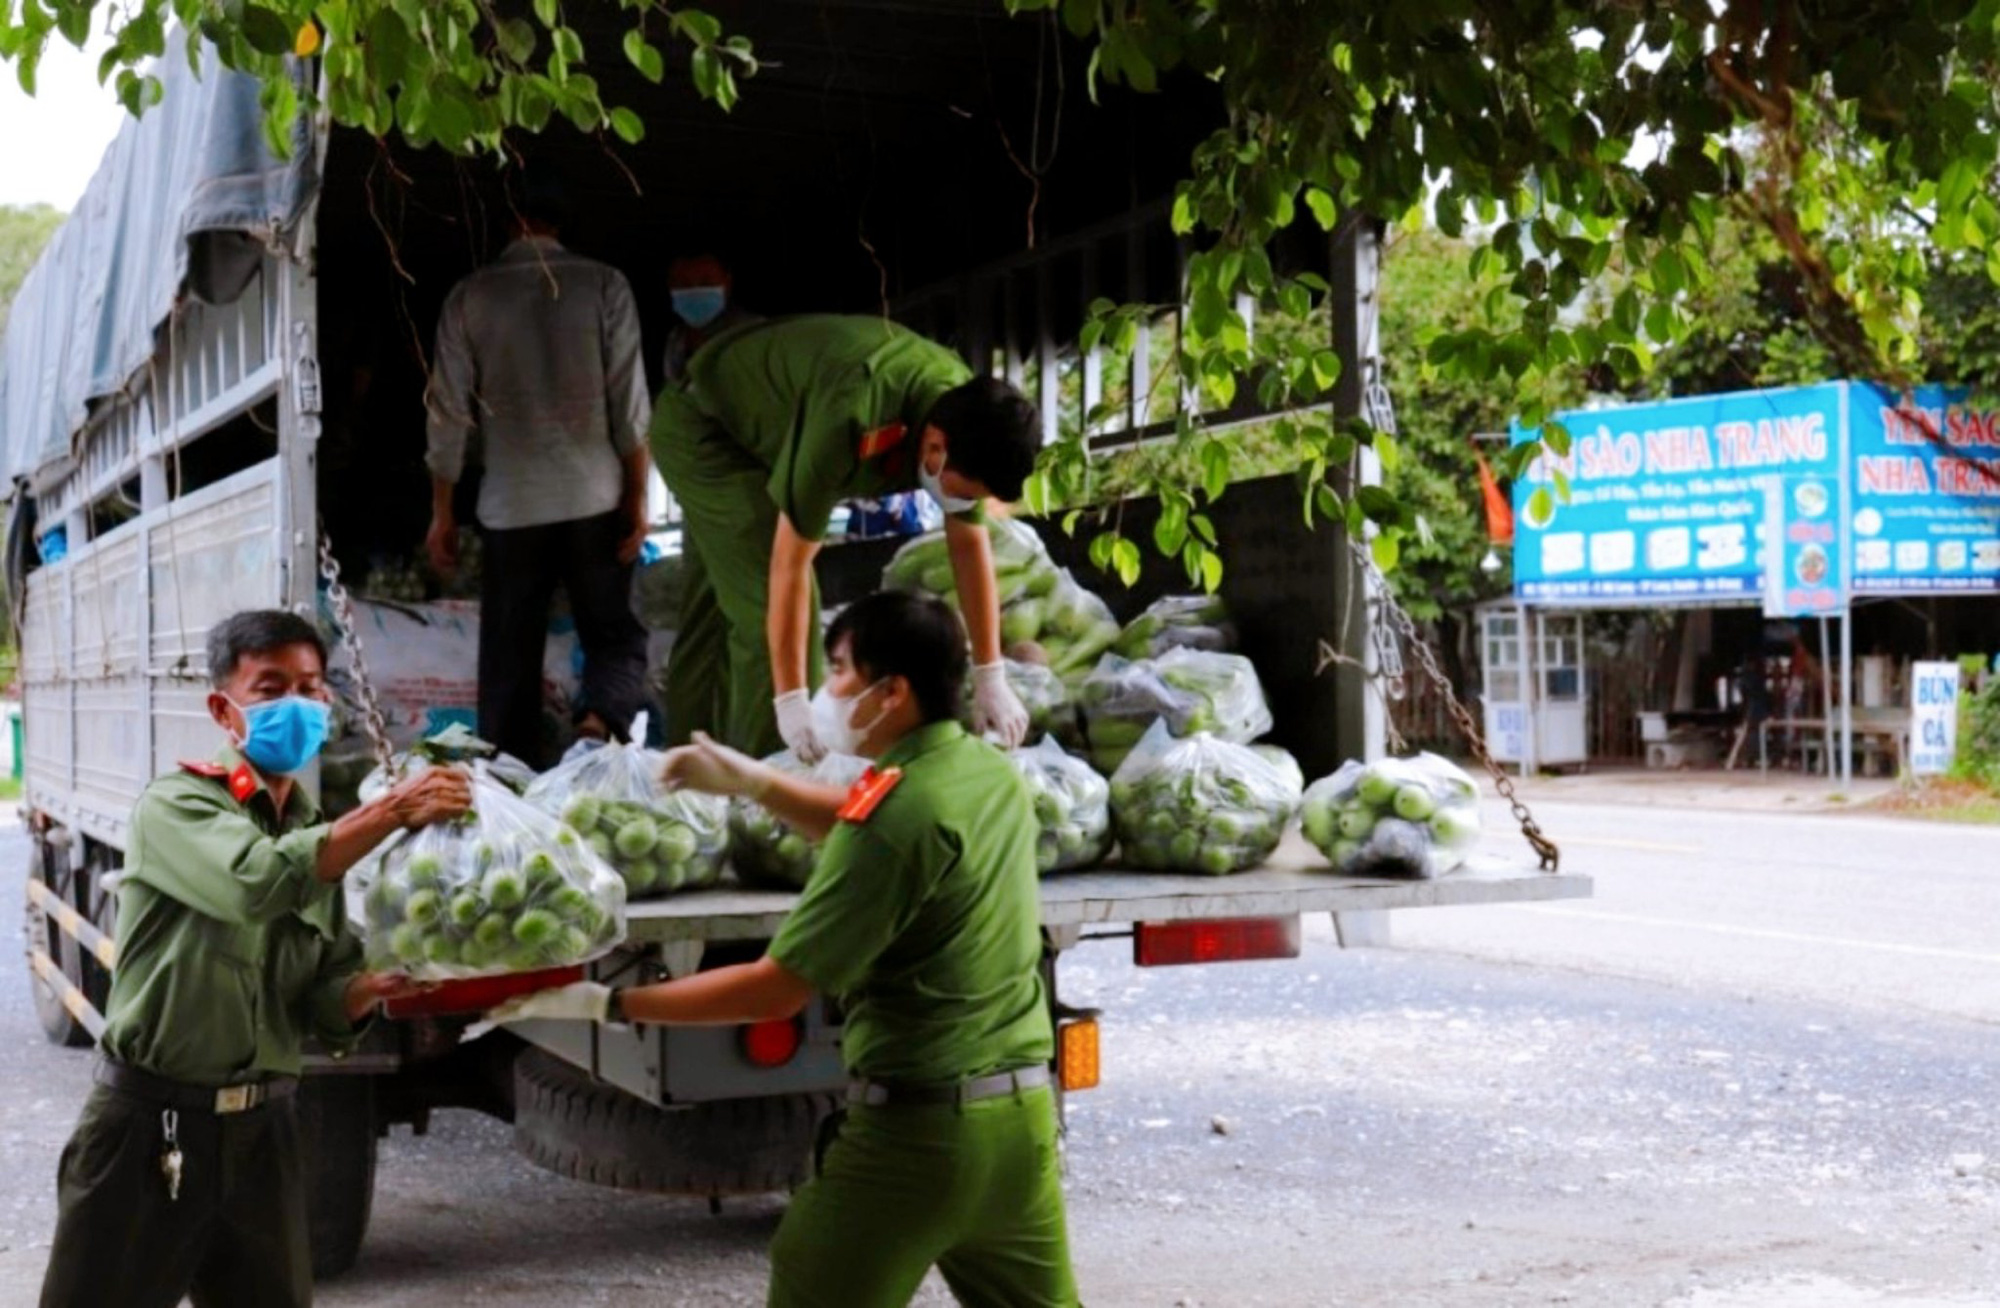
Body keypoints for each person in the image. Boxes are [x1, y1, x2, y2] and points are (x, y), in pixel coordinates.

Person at [493, 590, 1078, 1308]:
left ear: (891, 692)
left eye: (838, 671)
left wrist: (609, 1001)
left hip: (917, 1141)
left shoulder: (894, 818)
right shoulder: (986, 776)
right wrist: (756, 781)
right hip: (1020, 1128)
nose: (826, 691)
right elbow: (871, 818)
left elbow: (776, 989)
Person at [39, 610, 473, 1308]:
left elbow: (322, 1000)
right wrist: (393, 809)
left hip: (263, 1133)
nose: (296, 704)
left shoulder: (316, 834)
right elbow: (257, 882)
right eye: (270, 689)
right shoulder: (176, 805)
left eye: (311, 687)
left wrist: (369, 988)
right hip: (150, 1124)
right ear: (224, 708)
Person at [651, 314, 1041, 761]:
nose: (964, 505)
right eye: (967, 493)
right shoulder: (852, 412)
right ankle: (776, 790)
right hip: (706, 431)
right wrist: (792, 702)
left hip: (758, 428)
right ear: (935, 446)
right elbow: (789, 564)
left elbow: (969, 543)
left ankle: (683, 771)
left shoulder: (969, 422)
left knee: (720, 603)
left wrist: (991, 674)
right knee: (766, 601)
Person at [426, 168, 654, 769]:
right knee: (612, 632)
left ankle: (507, 775)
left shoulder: (469, 296)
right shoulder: (605, 284)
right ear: (562, 221)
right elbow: (631, 405)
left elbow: (448, 415)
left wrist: (442, 511)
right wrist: (637, 496)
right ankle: (596, 722)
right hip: (594, 495)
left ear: (506, 222)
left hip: (510, 505)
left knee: (508, 651)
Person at [660, 253, 760, 385]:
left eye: (706, 283)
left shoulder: (756, 334)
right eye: (683, 283)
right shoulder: (676, 339)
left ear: (727, 283)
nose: (695, 291)